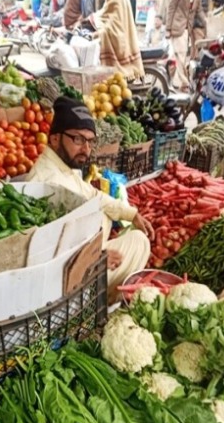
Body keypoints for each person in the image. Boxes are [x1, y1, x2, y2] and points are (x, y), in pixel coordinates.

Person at [25, 96, 154, 303]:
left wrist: (131, 214)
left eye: (90, 141)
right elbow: (48, 252)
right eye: (78, 139)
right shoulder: (47, 182)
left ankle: (104, 300)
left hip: (91, 257)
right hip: (68, 280)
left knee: (138, 239)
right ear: (55, 138)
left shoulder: (65, 169)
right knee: (140, 244)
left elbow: (96, 197)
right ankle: (97, 304)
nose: (86, 148)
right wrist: (97, 257)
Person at [90, 0, 144, 78]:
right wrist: (93, 18)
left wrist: (101, 32)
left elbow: (115, 21)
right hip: (123, 33)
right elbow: (106, 12)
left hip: (119, 37)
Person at [165, 0, 205, 91]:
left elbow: (199, 8)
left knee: (177, 56)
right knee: (181, 54)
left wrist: (205, 22)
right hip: (177, 26)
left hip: (188, 27)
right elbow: (171, 7)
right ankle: (184, 83)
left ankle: (166, 78)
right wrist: (168, 28)